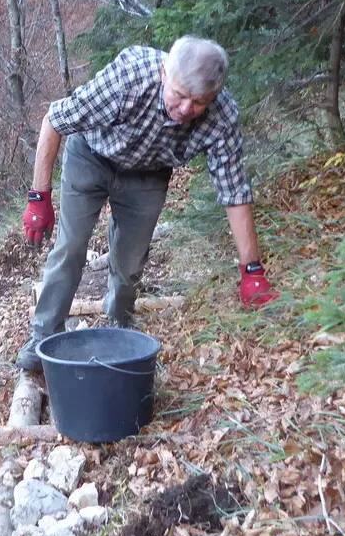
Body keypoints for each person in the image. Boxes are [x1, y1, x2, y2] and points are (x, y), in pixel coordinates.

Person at [16, 36, 280, 372]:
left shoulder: (222, 117)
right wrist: (39, 197)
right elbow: (54, 120)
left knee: (129, 263)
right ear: (164, 73)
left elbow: (234, 191)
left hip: (148, 174)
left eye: (199, 102)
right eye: (180, 95)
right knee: (71, 247)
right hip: (92, 156)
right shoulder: (128, 79)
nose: (186, 110)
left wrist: (251, 270)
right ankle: (42, 336)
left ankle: (120, 321)